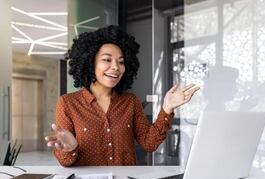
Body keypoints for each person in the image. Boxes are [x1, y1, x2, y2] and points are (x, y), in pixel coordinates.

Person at [45, 25, 200, 166]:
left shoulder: (130, 102)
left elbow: (149, 143)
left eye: (121, 62)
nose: (115, 67)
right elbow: (66, 162)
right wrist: (69, 149)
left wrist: (167, 108)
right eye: (107, 59)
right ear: (90, 62)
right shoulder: (68, 103)